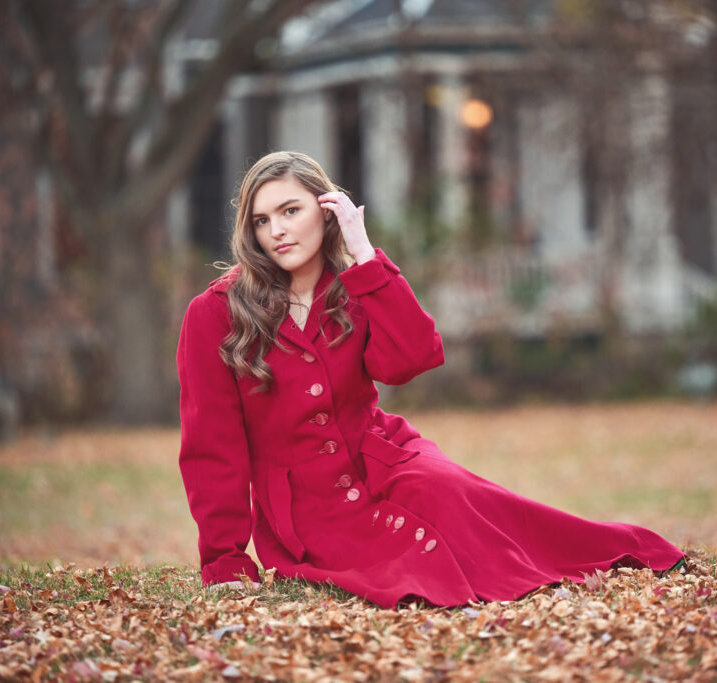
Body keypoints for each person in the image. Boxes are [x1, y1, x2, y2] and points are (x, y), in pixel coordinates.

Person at [177, 151, 686, 608]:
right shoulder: (216, 313)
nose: (278, 231)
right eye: (263, 220)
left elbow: (413, 358)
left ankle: (614, 546)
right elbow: (211, 445)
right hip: (307, 507)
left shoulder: (358, 284)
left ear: (326, 211)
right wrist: (224, 560)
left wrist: (365, 255)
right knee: (407, 560)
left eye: (292, 211)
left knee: (459, 499)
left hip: (384, 458)